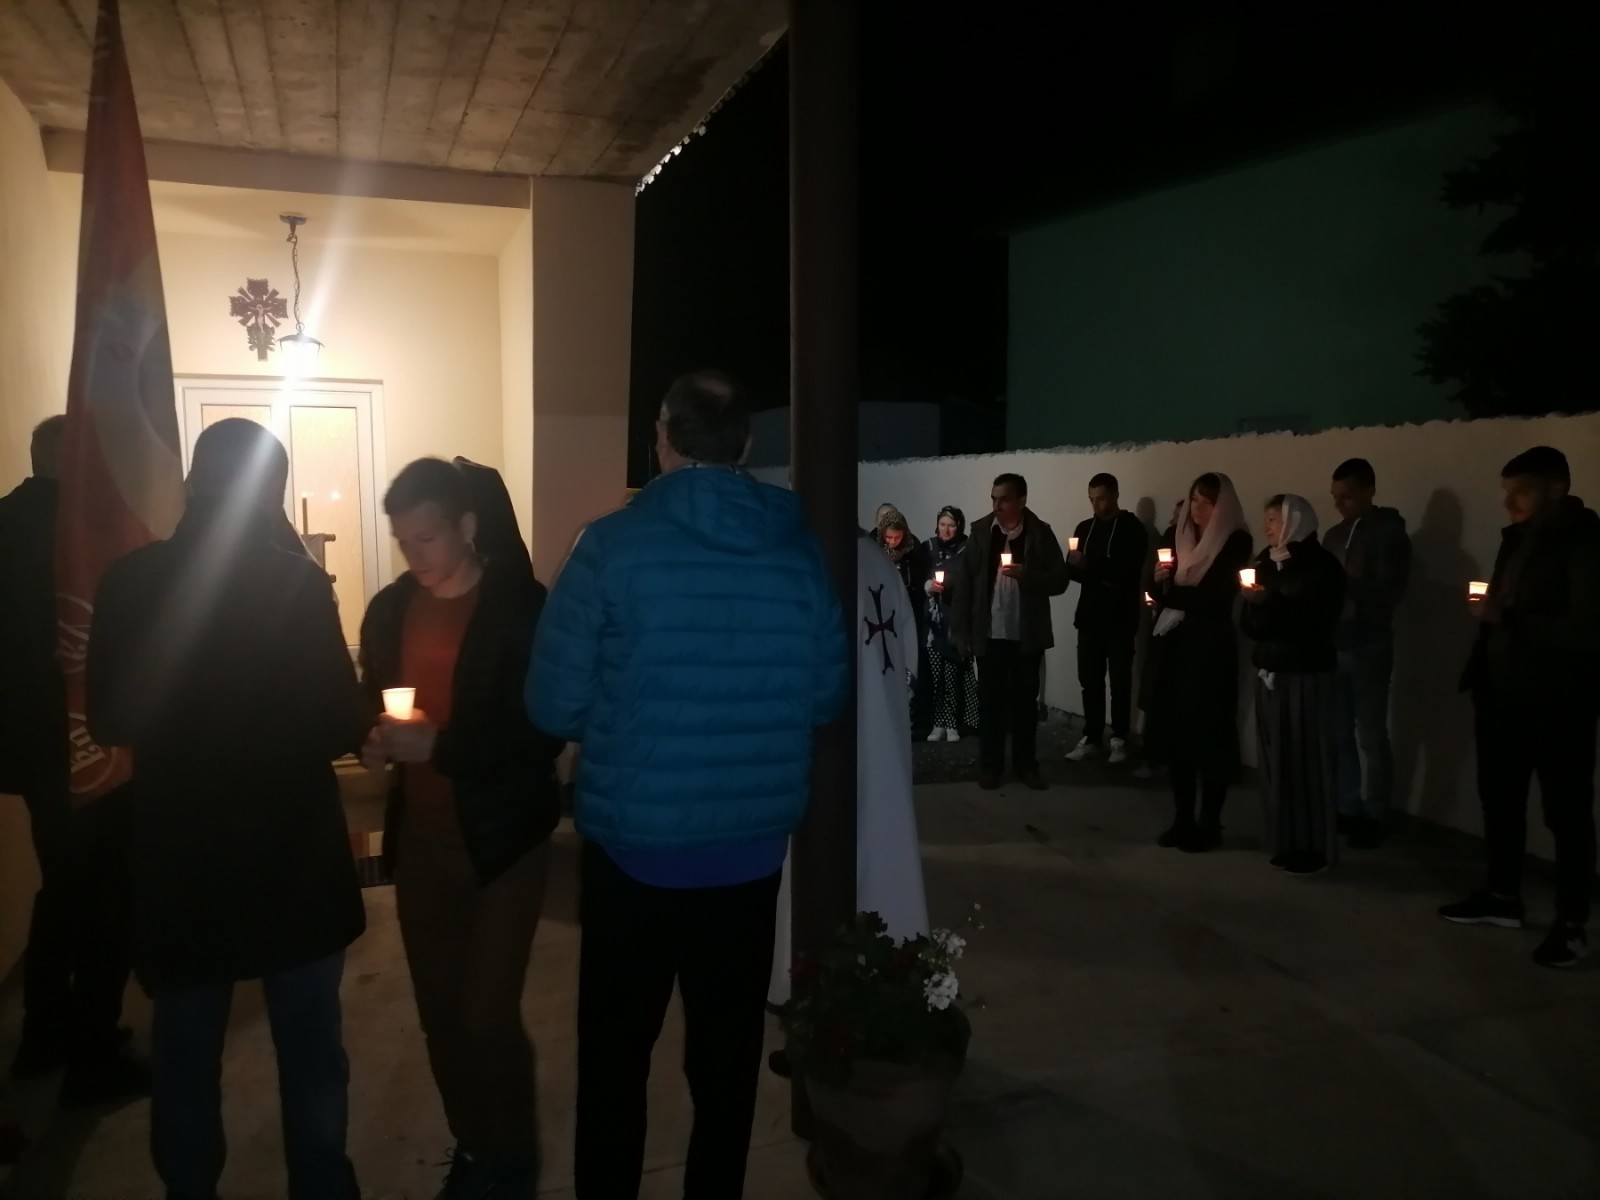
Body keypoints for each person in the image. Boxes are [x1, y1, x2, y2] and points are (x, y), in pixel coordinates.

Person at [526, 371, 848, 1200]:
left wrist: (626, 711)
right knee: (727, 1061)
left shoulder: (609, 546)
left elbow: (552, 703)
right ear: (745, 444)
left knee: (615, 1062)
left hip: (634, 852)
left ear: (662, 440)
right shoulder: (798, 551)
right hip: (748, 854)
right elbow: (824, 695)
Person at [85, 419, 368, 1199]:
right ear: (270, 490)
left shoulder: (130, 580)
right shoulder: (296, 583)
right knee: (310, 1049)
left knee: (184, 1053)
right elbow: (338, 722)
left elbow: (108, 719)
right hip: (292, 855)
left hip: (185, 858)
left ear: (193, 482)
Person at [358, 457, 562, 1197]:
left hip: (503, 841)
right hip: (421, 843)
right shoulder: (389, 610)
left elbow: (540, 733)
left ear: (467, 526)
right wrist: (373, 740)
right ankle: (476, 1148)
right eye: (404, 541)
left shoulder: (520, 607)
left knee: (485, 1015)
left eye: (429, 538)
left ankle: (513, 1158)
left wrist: (439, 746)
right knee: (439, 1015)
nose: (415, 556)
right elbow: (370, 699)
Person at [1441, 446, 1600, 969]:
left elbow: (1585, 628)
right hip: (1502, 694)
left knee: (1566, 812)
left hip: (1558, 700)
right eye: (1506, 491)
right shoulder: (1518, 538)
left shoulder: (1583, 542)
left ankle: (1572, 923)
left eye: (1521, 491)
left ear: (1557, 488)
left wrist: (1506, 616)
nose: (1509, 502)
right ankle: (1503, 894)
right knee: (1500, 799)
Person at [769, 530, 929, 1008]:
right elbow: (910, 656)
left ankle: (790, 973)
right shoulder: (878, 562)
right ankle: (894, 953)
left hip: (818, 735)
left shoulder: (795, 557)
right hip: (881, 739)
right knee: (883, 833)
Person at [1146, 473, 1253, 851]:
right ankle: (1182, 818)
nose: (1198, 509)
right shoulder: (1176, 536)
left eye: (1208, 502)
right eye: (1194, 500)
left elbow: (1214, 596)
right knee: (1180, 735)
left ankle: (1209, 822)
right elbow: (1154, 587)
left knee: (1211, 734)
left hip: (1211, 646)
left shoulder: (1235, 540)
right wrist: (1159, 582)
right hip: (1177, 644)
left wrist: (1169, 593)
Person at [1240, 495, 1345, 875]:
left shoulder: (1321, 566)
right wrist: (1256, 606)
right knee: (1276, 760)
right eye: (1266, 520)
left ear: (1294, 521)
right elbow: (1251, 625)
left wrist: (1270, 603)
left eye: (1273, 519)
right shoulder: (1266, 562)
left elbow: (1315, 621)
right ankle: (1283, 839)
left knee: (1306, 759)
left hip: (1305, 672)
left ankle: (1312, 846)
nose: (1266, 527)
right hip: (1271, 670)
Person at [949, 473, 1069, 791]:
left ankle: (1026, 765)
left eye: (1004, 499)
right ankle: (991, 767)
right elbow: (965, 584)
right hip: (990, 634)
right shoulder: (981, 533)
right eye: (994, 498)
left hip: (1025, 635)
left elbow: (1060, 580)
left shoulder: (1039, 533)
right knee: (990, 704)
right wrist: (961, 632)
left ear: (1021, 500)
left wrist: (1027, 575)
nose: (996, 505)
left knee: (1025, 705)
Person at [1326, 458, 1411, 849]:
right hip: (1336, 643)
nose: (1340, 504)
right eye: (1335, 497)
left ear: (1369, 491)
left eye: (1347, 496)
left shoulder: (1389, 534)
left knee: (1372, 735)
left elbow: (1391, 591)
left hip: (1369, 645)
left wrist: (1348, 585)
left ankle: (1376, 812)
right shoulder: (1334, 535)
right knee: (1339, 732)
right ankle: (1347, 806)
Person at [1065, 472, 1149, 765]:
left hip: (1120, 618)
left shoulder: (1132, 529)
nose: (1095, 505)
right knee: (1089, 679)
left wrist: (1089, 566)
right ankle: (1092, 736)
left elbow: (1126, 573)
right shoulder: (1085, 528)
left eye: (1100, 498)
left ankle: (1120, 737)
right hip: (1089, 617)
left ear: (1115, 495)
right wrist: (1081, 567)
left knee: (1120, 681)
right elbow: (1072, 570)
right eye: (1091, 499)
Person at [924, 506, 978, 742]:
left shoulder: (966, 550)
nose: (946, 530)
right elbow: (918, 576)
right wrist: (928, 586)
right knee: (936, 674)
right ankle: (938, 723)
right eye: (942, 525)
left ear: (959, 527)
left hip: (956, 617)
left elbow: (971, 580)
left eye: (952, 525)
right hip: (934, 621)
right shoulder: (928, 548)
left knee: (954, 673)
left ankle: (953, 722)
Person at [878, 507, 933, 732]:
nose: (893, 542)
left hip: (908, 614)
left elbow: (919, 581)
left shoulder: (914, 550)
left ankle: (912, 716)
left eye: (897, 538)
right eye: (889, 538)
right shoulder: (875, 552)